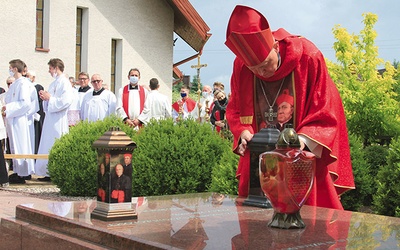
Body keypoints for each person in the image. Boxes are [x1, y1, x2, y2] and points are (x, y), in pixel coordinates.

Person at [224, 5, 354, 209]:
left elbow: (325, 107)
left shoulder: (308, 57)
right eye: (254, 69)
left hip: (301, 153)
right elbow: (235, 108)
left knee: (308, 215)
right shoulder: (241, 67)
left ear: (275, 48)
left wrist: (299, 141)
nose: (262, 72)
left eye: (266, 64)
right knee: (255, 217)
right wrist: (243, 131)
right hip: (261, 159)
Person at [35, 58, 74, 182]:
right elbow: (50, 100)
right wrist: (45, 98)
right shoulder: (53, 83)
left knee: (56, 142)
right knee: (47, 143)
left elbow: (66, 101)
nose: (49, 71)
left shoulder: (65, 83)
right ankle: (47, 172)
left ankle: (57, 172)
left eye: (50, 68)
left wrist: (50, 99)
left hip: (59, 119)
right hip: (50, 119)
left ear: (56, 68)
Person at [3, 59, 38, 184]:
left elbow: (25, 103)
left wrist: (9, 108)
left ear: (15, 69)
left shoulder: (23, 84)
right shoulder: (16, 83)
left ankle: (23, 173)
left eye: (10, 68)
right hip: (14, 118)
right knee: (14, 145)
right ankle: (18, 171)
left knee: (21, 145)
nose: (10, 70)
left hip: (20, 120)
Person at [26, 70, 45, 154]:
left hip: (36, 114)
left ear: (33, 78)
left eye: (28, 76)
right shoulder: (25, 86)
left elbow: (39, 101)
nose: (27, 78)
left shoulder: (38, 87)